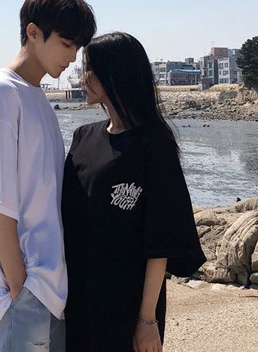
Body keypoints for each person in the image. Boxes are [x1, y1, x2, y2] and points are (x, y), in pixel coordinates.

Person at [0, 0, 96, 352]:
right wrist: (20, 284)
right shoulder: (0, 92)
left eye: (77, 47)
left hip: (45, 289)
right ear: (33, 32)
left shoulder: (36, 96)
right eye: (66, 43)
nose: (72, 56)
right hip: (17, 292)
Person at [62, 32, 206, 352]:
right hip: (77, 296)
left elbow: (160, 240)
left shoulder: (154, 145)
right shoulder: (83, 138)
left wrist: (147, 319)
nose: (82, 77)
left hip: (127, 307)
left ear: (115, 73)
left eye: (89, 69)